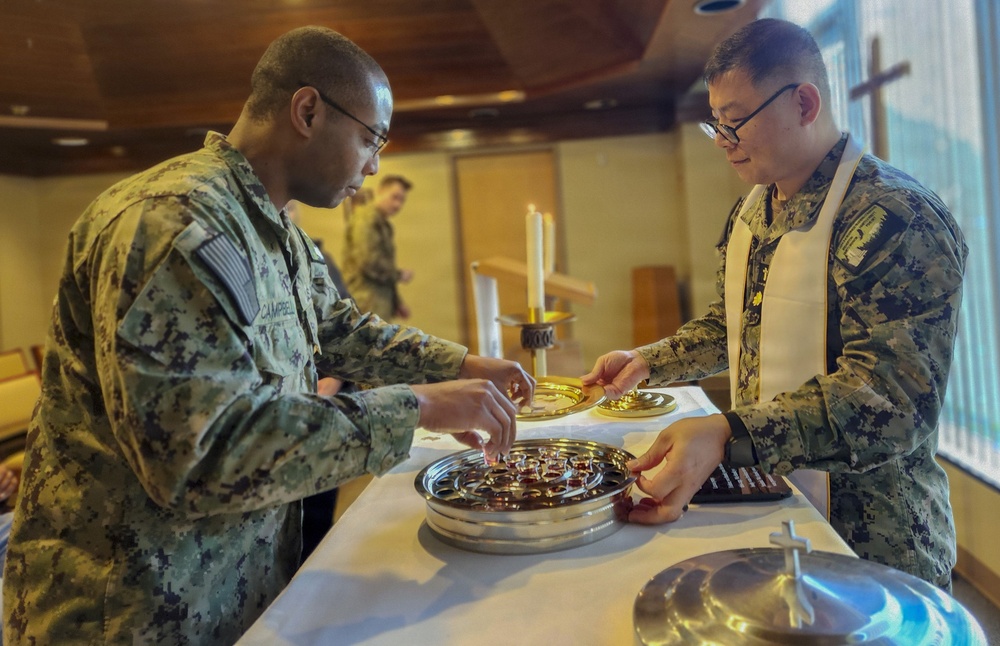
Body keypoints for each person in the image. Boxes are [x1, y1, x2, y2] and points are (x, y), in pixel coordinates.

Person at [3, 26, 534, 644]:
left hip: (225, 593)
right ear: (307, 111)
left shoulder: (270, 225)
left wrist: (465, 364)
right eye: (371, 138)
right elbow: (197, 457)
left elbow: (339, 329)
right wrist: (414, 407)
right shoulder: (175, 222)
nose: (374, 164)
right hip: (130, 612)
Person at [583, 18, 966, 590]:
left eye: (735, 122)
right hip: (775, 505)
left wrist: (730, 432)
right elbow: (734, 323)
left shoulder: (893, 218)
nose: (722, 141)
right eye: (716, 124)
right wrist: (650, 361)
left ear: (804, 103)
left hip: (875, 538)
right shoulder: (754, 210)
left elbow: (892, 400)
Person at [342, 174, 415, 320]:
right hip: (366, 303)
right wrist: (399, 275)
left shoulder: (382, 223)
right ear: (380, 191)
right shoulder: (366, 220)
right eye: (394, 197)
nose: (397, 205)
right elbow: (368, 263)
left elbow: (384, 269)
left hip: (378, 302)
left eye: (402, 200)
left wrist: (397, 302)